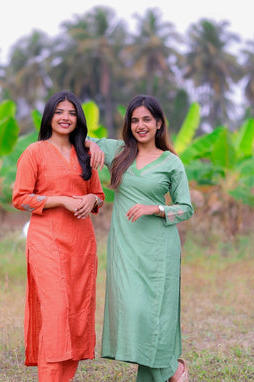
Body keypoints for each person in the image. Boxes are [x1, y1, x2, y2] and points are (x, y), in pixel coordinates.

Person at [85, 94, 194, 382]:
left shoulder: (171, 162)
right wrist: (91, 147)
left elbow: (186, 208)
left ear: (159, 123)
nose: (140, 125)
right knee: (133, 312)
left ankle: (172, 370)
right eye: (134, 120)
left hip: (159, 248)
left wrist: (156, 208)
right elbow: (82, 137)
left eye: (147, 119)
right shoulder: (119, 151)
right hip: (125, 247)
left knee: (154, 315)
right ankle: (174, 368)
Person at [12, 90, 105, 382]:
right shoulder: (34, 152)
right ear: (49, 116)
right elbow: (20, 198)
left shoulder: (86, 153)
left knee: (76, 313)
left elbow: (99, 195)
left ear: (78, 119)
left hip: (82, 242)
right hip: (46, 240)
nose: (65, 118)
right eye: (59, 112)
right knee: (56, 312)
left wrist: (92, 201)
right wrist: (60, 200)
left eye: (72, 113)